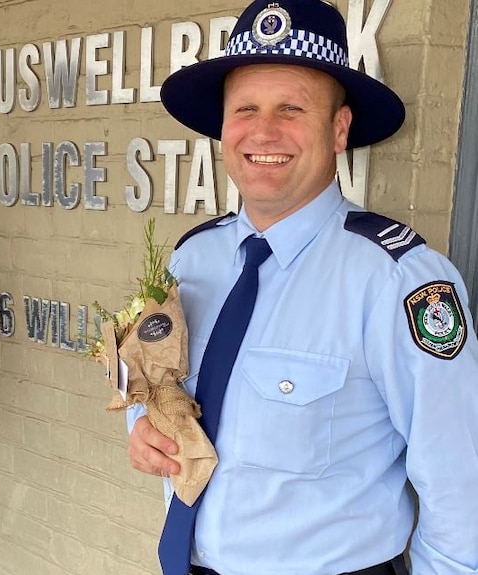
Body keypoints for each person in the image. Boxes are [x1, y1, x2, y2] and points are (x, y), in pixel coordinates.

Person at [127, 1, 478, 574]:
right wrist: (142, 428)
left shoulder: (397, 279)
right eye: (245, 108)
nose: (263, 131)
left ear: (338, 129)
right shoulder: (195, 257)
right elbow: (159, 374)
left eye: (291, 108)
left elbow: (461, 474)